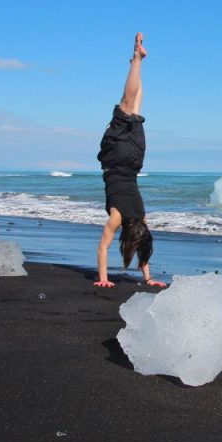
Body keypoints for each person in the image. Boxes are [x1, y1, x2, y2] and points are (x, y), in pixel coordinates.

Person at [95, 33, 166, 288]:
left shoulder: (142, 217)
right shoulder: (118, 219)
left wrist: (148, 278)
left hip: (135, 159)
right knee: (127, 104)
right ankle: (137, 60)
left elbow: (140, 242)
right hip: (117, 158)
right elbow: (103, 247)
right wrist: (103, 279)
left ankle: (137, 62)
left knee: (135, 108)